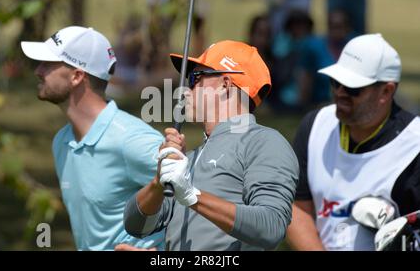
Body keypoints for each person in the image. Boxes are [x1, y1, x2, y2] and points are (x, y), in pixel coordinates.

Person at [122, 40, 299, 251]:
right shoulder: (191, 158)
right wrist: (158, 183)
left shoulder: (265, 142)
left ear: (225, 84)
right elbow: (136, 226)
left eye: (195, 78)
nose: (186, 90)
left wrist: (192, 196)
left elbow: (272, 227)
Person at [20, 26, 164, 250]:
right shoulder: (62, 141)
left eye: (48, 64)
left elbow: (199, 202)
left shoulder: (132, 140)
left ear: (77, 76)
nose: (38, 70)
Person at [286, 34, 420, 251]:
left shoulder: (414, 148)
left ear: (386, 91)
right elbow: (296, 208)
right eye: (335, 82)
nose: (340, 93)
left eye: (352, 88)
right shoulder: (314, 126)